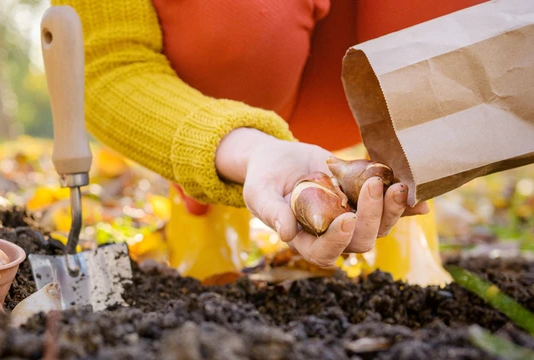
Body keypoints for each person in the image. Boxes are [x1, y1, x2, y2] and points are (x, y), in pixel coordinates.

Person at [48, 0, 486, 272]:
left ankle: (408, 205)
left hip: (353, 77)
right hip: (238, 95)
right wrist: (246, 148)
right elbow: (111, 66)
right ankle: (209, 221)